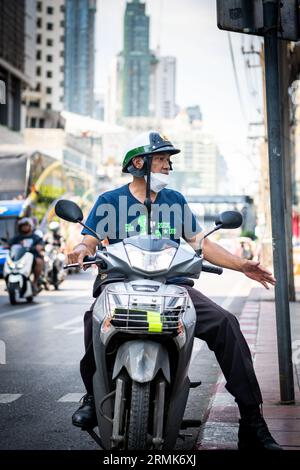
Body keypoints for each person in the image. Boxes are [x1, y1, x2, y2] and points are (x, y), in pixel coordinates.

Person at [67, 131, 281, 450]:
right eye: (162, 160)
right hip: (120, 288)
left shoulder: (176, 201)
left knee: (226, 324)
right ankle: (92, 395)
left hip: (172, 289)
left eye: (169, 161)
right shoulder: (109, 201)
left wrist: (242, 265)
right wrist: (80, 249)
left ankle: (252, 420)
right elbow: (89, 239)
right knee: (93, 321)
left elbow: (201, 243)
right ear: (139, 163)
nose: (168, 166)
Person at [8, 217, 44, 293]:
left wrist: (39, 247)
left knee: (39, 261)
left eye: (26, 225)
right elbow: (9, 244)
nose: (24, 227)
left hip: (33, 257)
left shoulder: (35, 237)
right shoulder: (17, 237)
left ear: (30, 226)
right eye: (22, 226)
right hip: (19, 257)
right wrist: (7, 245)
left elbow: (41, 245)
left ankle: (35, 282)